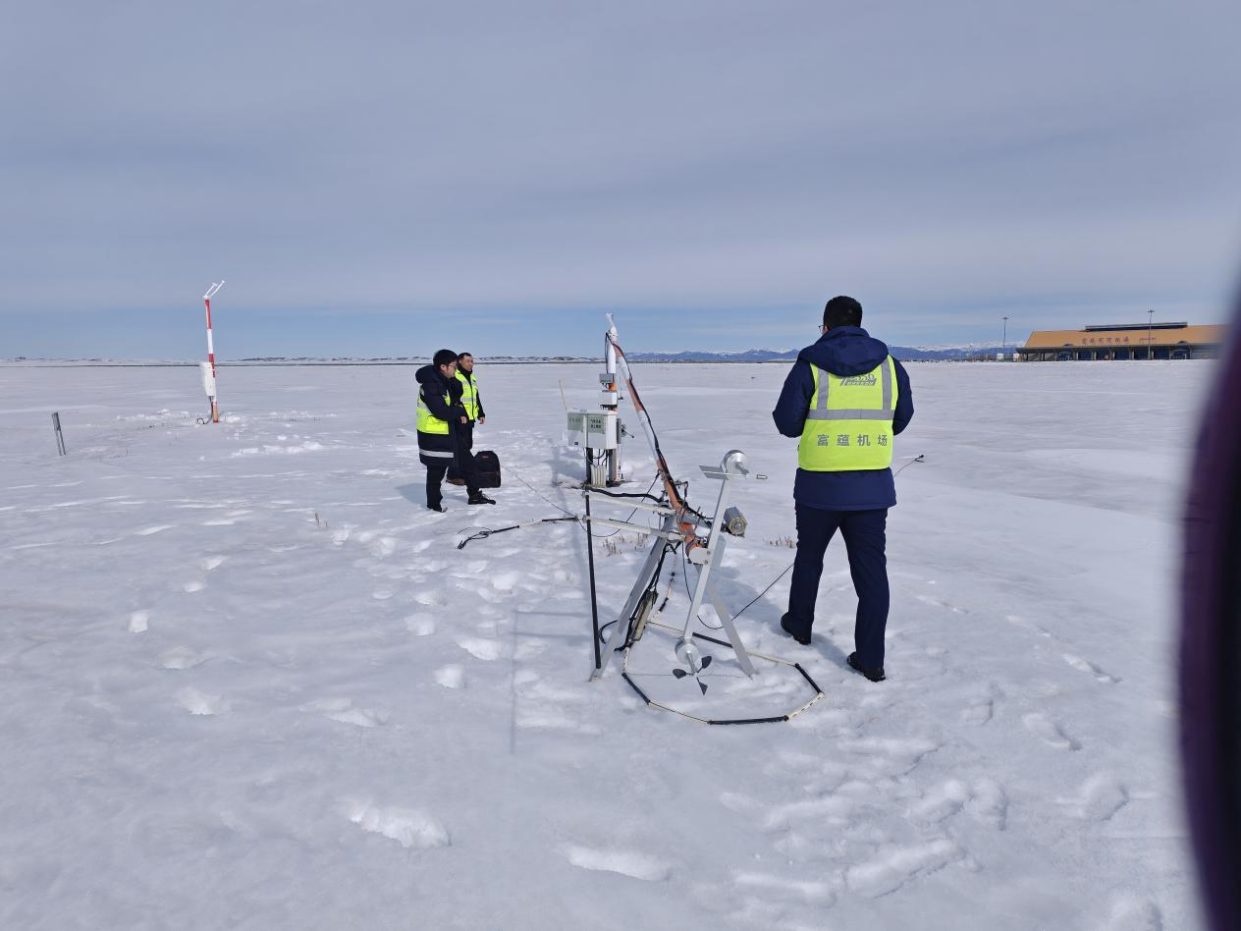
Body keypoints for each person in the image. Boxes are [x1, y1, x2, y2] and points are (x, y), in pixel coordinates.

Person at [771, 296, 914, 681]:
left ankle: (799, 624)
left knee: (809, 558)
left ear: (826, 327)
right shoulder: (890, 366)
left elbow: (786, 423)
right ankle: (871, 659)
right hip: (871, 489)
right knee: (871, 574)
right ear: (860, 324)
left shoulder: (810, 365)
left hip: (819, 487)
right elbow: (901, 419)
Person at [415, 350, 495, 510]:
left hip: (451, 434)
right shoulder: (430, 386)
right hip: (435, 437)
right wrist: (459, 412)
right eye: (454, 366)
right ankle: (433, 505)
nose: (456, 370)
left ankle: (474, 495)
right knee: (436, 473)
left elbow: (456, 399)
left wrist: (456, 390)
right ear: (443, 367)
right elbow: (442, 412)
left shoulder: (446, 381)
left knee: (468, 463)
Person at [447, 351, 486, 488]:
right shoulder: (454, 377)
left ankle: (460, 472)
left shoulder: (472, 377)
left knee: (467, 445)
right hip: (459, 418)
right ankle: (453, 475)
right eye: (468, 361)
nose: (471, 363)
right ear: (460, 362)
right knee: (459, 448)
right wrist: (458, 413)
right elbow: (452, 399)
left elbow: (475, 397)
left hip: (469, 418)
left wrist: (480, 412)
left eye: (472, 361)